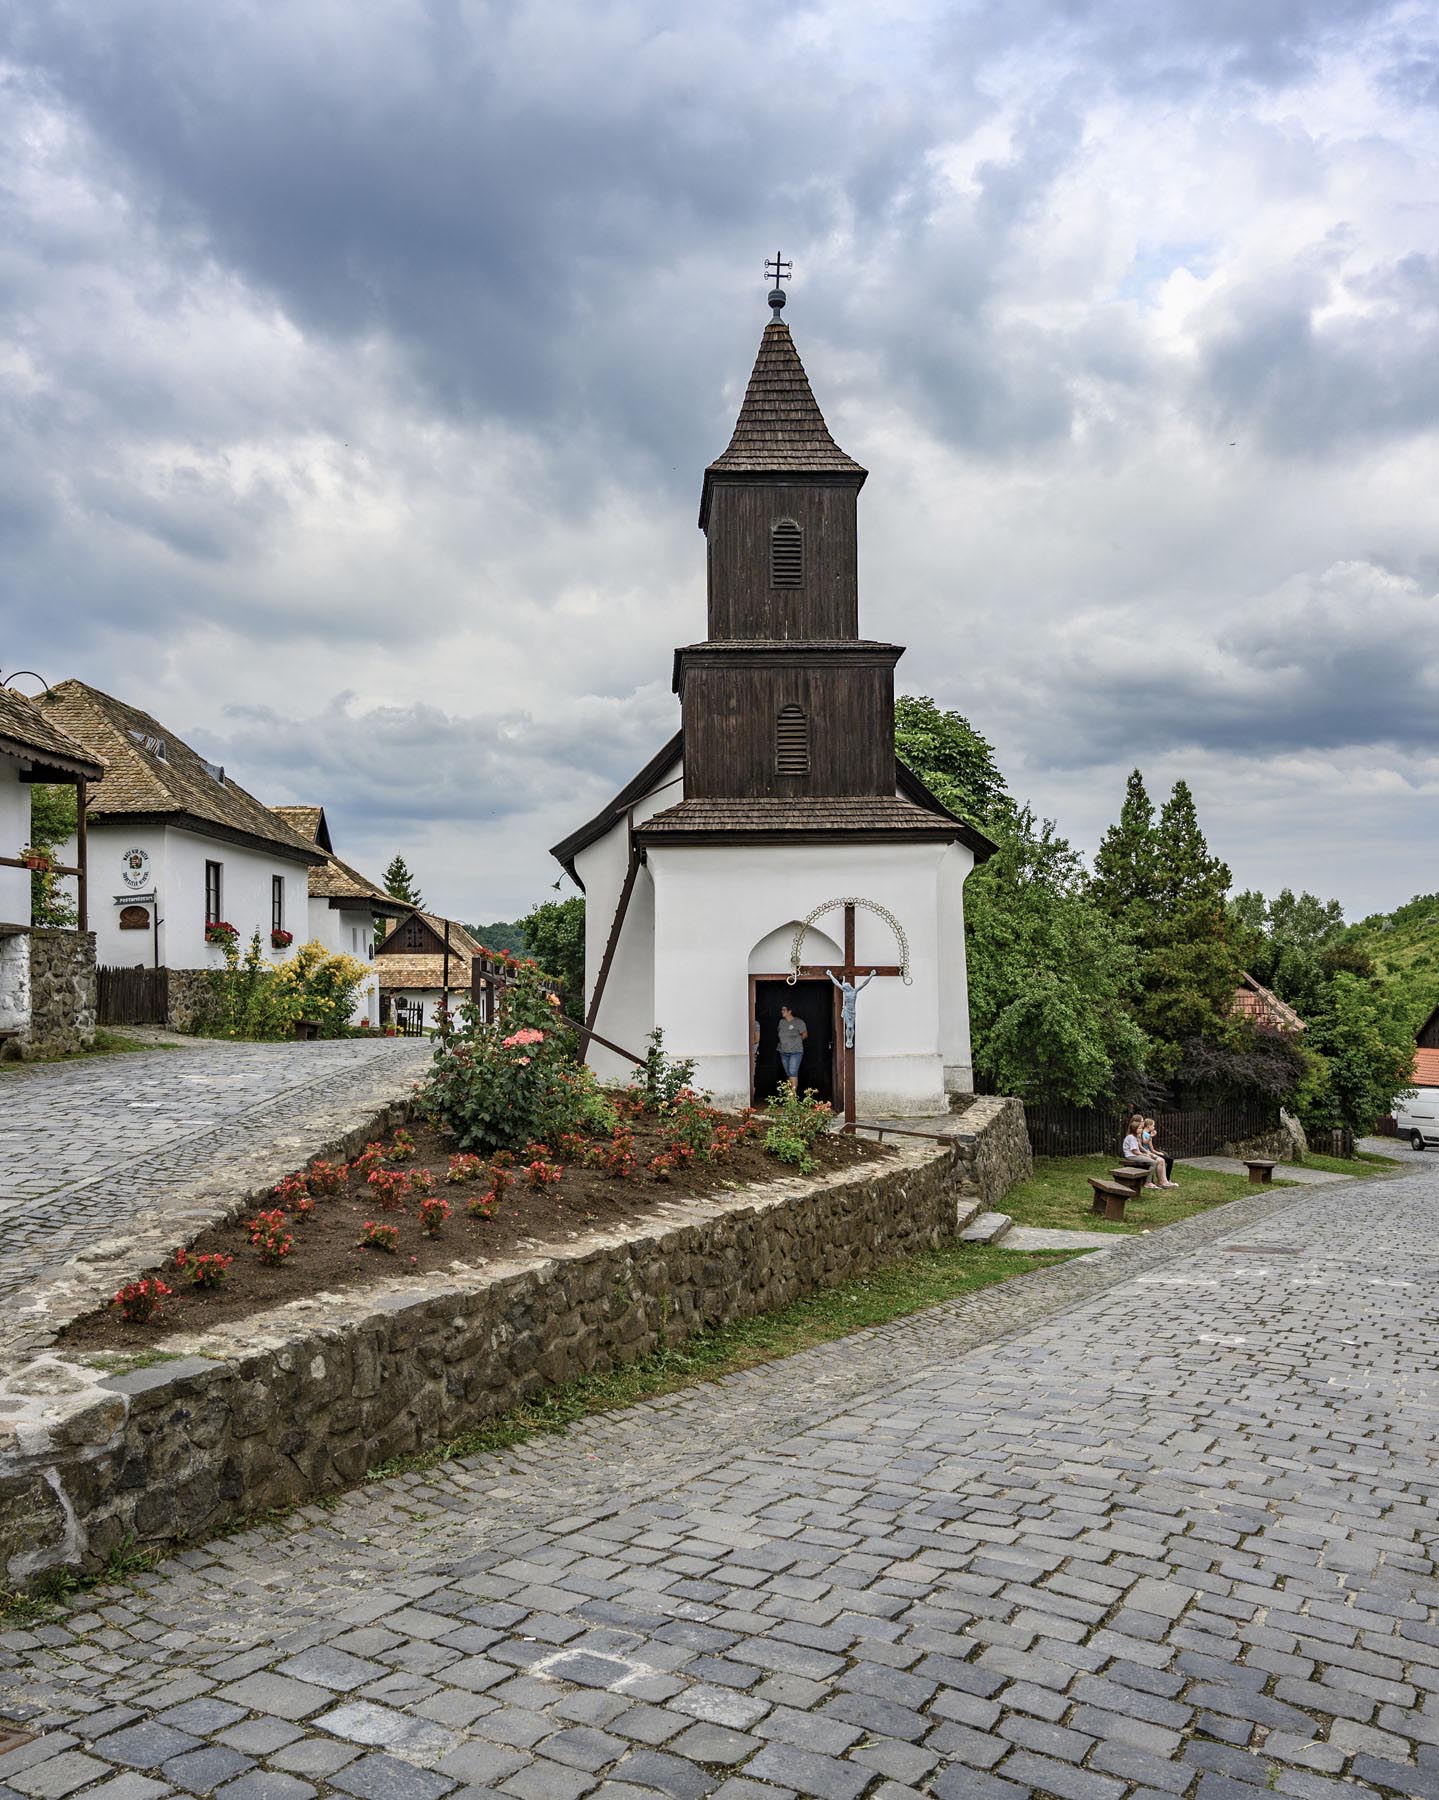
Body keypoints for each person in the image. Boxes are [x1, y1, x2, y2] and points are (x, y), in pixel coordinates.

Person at [1122, 1113, 1172, 1189]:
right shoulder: (1132, 1137)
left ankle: (1163, 1181)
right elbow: (1135, 1151)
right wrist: (1145, 1155)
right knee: (1154, 1162)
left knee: (1160, 1160)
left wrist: (1148, 1153)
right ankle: (1148, 1182)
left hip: (1136, 1154)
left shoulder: (1135, 1136)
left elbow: (1140, 1147)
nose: (1143, 1124)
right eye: (1141, 1122)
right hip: (1132, 1156)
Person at [776, 1004, 807, 1092]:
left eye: (784, 1010)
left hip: (795, 1051)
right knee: (788, 1073)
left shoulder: (798, 1022)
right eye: (782, 1010)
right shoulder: (781, 1022)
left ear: (790, 1011)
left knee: (793, 1072)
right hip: (783, 1051)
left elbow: (805, 1035)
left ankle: (792, 1097)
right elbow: (779, 1033)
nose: (782, 1012)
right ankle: (789, 1095)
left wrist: (795, 1042)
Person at [1142, 1116, 1176, 1185]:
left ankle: (1164, 1179)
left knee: (1166, 1158)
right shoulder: (1148, 1136)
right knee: (1170, 1160)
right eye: (1153, 1126)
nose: (1154, 1127)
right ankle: (1166, 1179)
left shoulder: (1142, 1133)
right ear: (1149, 1126)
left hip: (1147, 1152)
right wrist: (1160, 1153)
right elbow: (1152, 1150)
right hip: (1149, 1153)